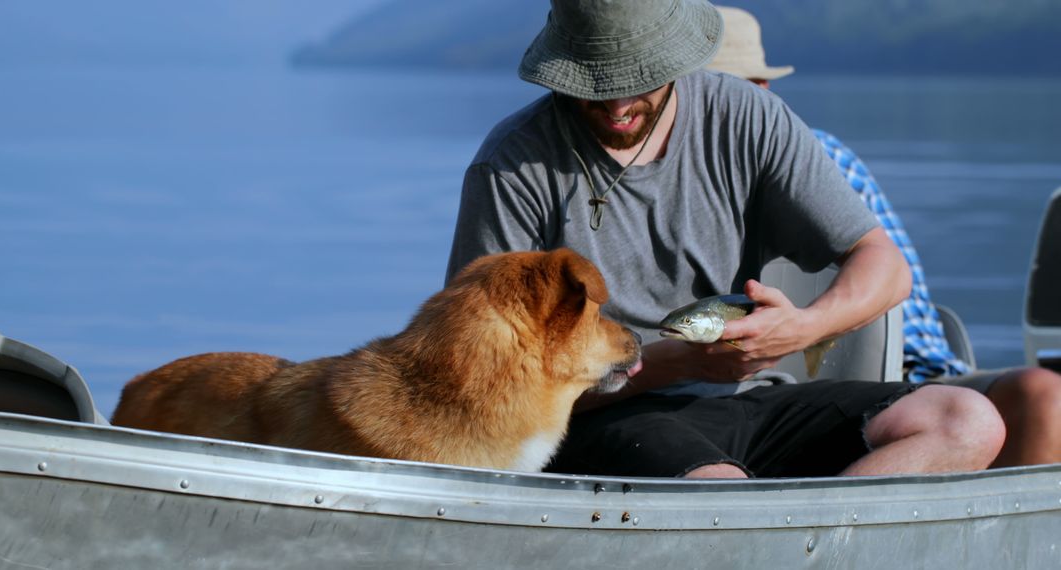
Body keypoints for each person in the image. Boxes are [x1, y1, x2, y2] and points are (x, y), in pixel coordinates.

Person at [445, 0, 1005, 479]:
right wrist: (672, 363)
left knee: (967, 422)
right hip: (599, 416)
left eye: (637, 81)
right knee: (717, 486)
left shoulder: (748, 115)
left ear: (673, 59)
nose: (618, 108)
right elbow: (489, 387)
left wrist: (802, 329)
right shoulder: (511, 166)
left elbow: (885, 266)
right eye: (594, 86)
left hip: (744, 401)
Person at [705, 5, 1061, 468]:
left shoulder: (820, 156)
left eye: (739, 88)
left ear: (763, 91)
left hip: (917, 375)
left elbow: (895, 281)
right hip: (786, 392)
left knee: (1047, 398)